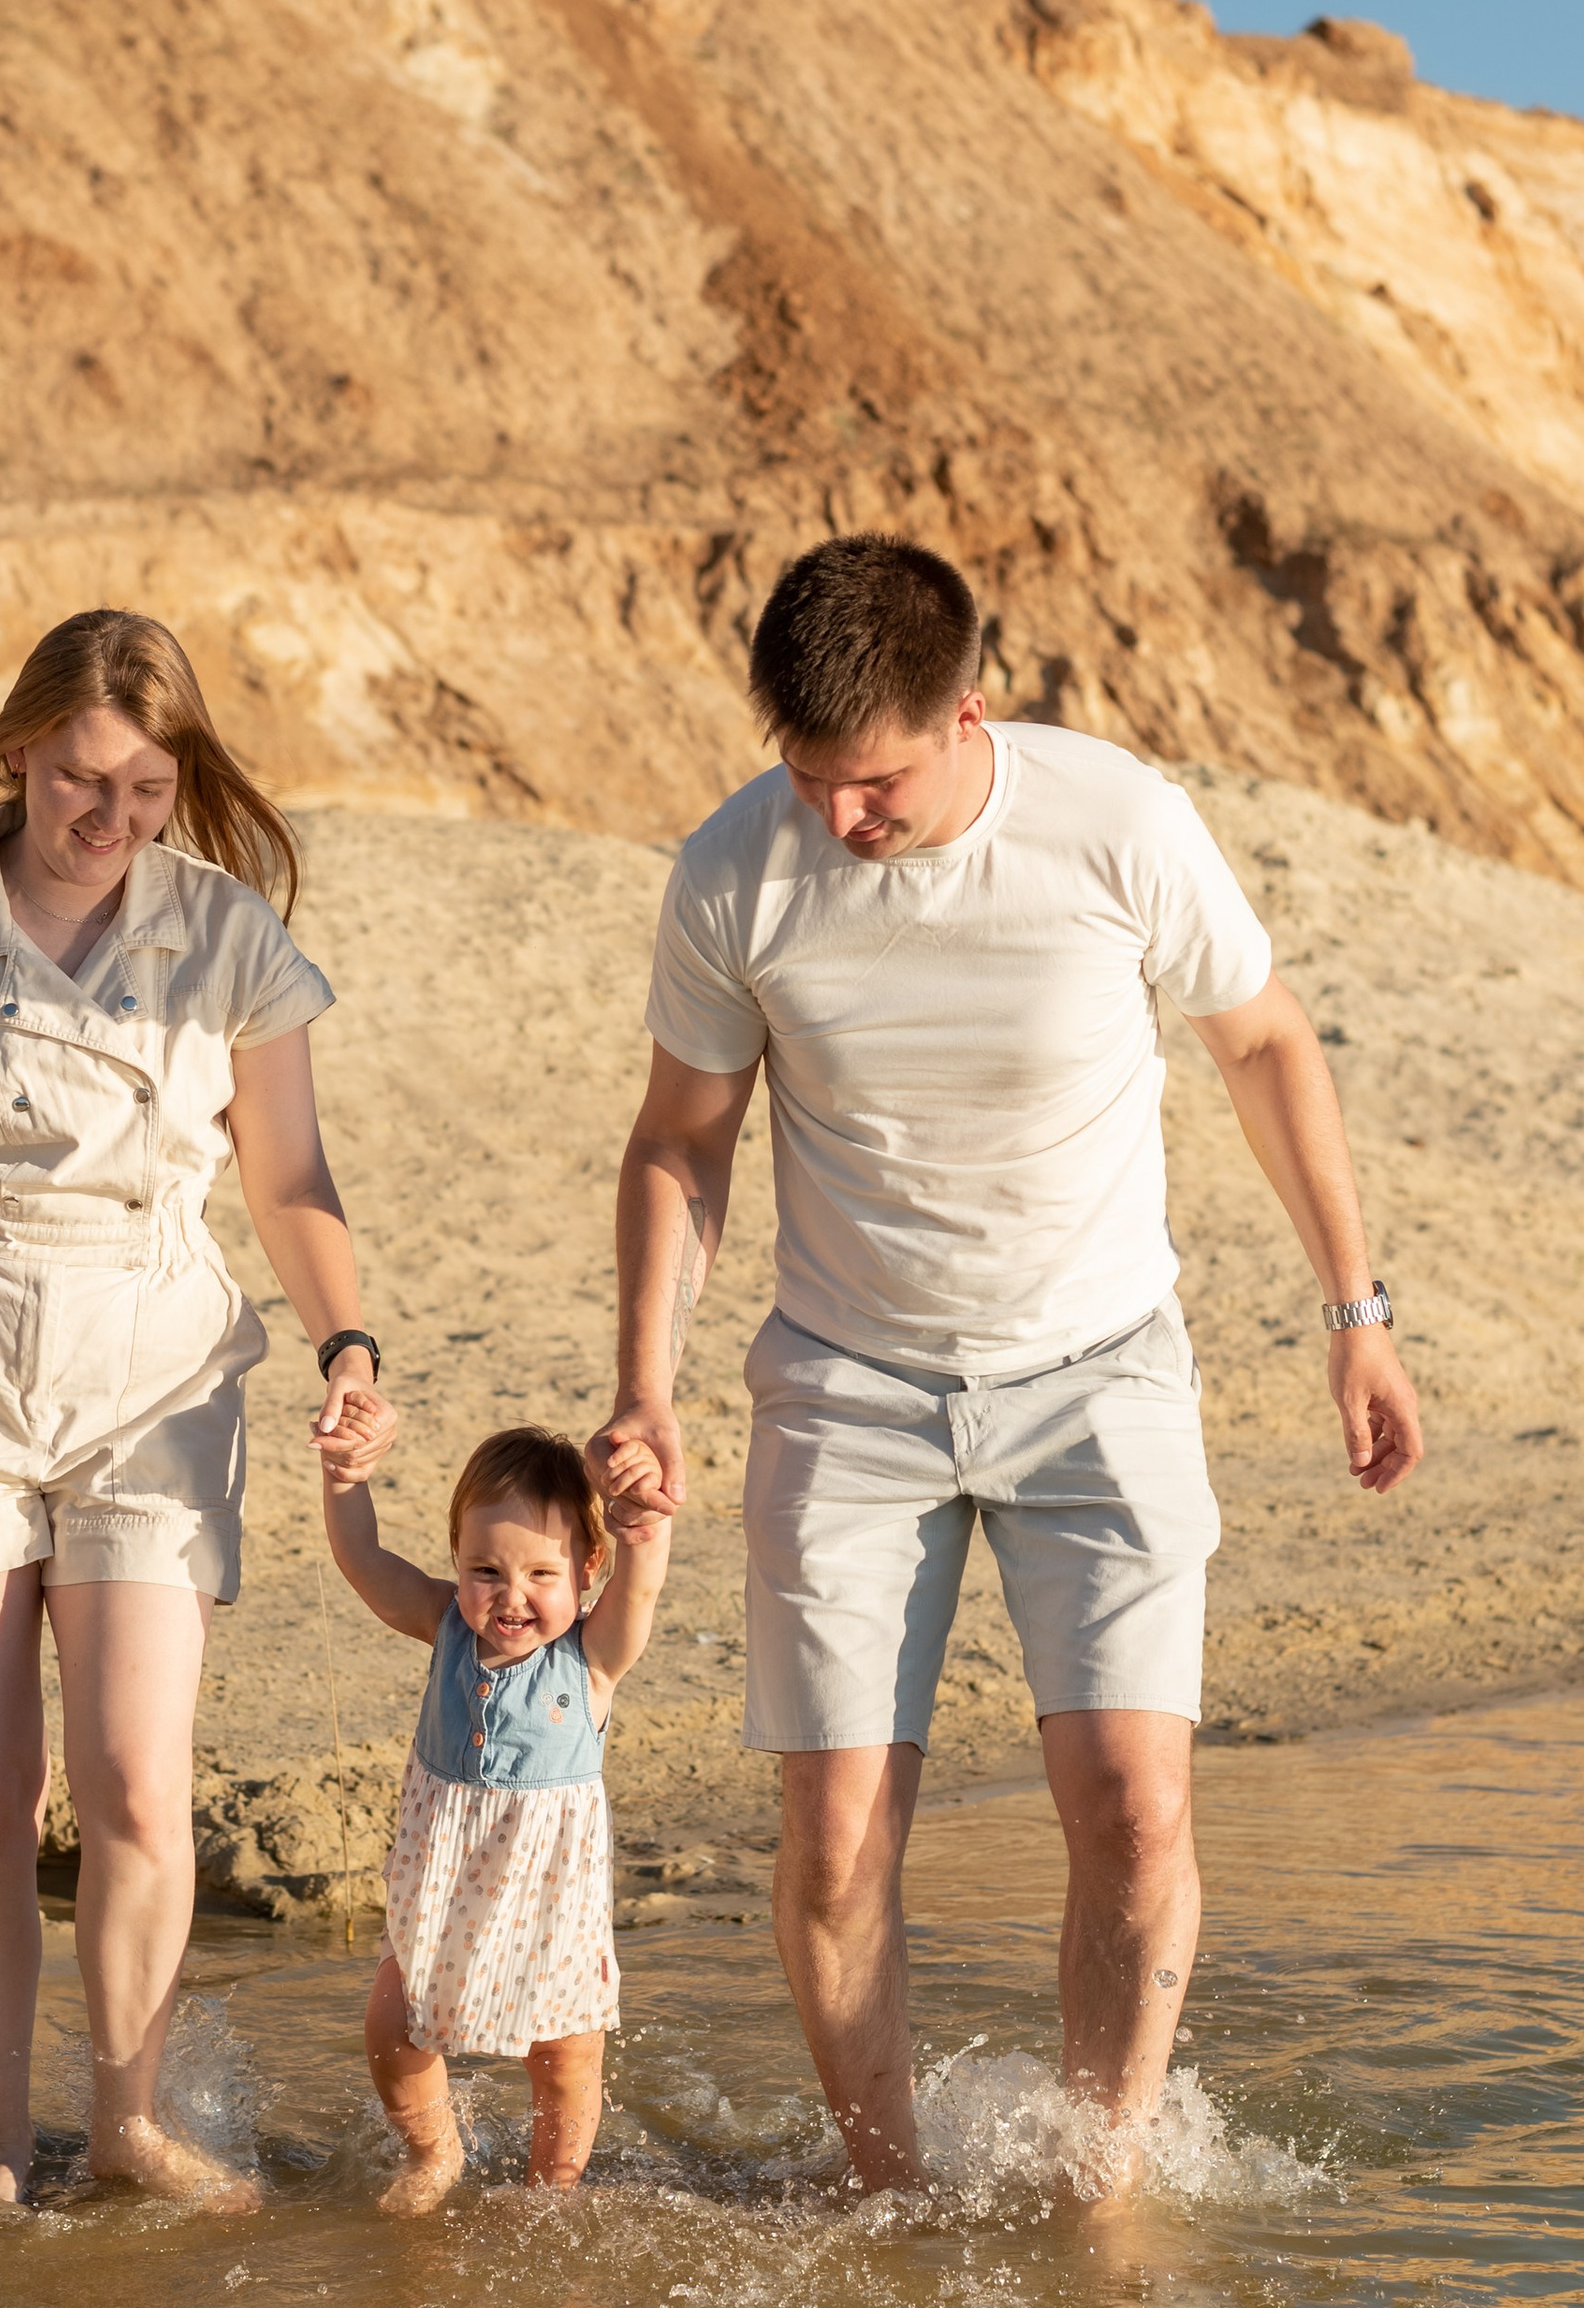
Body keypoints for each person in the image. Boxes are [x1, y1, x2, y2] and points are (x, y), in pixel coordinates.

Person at [594, 533, 1422, 2196]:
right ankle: (887, 2183)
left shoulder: (1115, 820)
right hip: (846, 1378)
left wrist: (1357, 1310)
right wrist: (644, 1380)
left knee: (1129, 1801)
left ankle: (1100, 2172)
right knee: (831, 1840)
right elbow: (684, 1136)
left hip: (1100, 1369)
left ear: (974, 705)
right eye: (811, 777)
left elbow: (1264, 1040)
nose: (843, 817)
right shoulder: (735, 872)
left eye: (877, 781)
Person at [0, 606, 394, 2215]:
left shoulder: (231, 936)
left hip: (156, 1369)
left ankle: (127, 2120)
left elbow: (289, 1175)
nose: (108, 817)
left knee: (133, 1779)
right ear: (15, 757)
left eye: (144, 785)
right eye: (76, 780)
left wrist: (348, 1344)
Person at [317, 1419, 671, 2213]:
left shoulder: (593, 1658)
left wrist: (642, 1522)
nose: (510, 1597)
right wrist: (346, 1481)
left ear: (588, 1570)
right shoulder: (445, 1625)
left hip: (550, 1895)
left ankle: (554, 2189)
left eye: (541, 1573)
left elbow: (642, 1589)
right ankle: (434, 2152)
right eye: (485, 1569)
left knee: (566, 2055)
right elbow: (364, 1561)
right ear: (455, 1560)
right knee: (393, 2024)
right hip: (444, 1881)